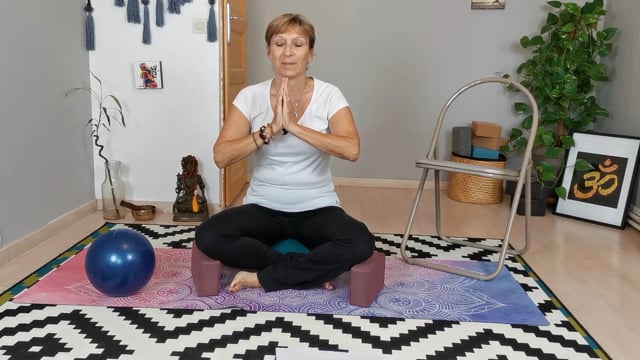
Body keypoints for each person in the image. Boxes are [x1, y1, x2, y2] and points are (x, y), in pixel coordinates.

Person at [194, 13, 375, 293]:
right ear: (269, 52)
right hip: (263, 207)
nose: (288, 52)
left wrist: (294, 127)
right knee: (208, 234)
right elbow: (222, 156)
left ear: (310, 54)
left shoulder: (329, 95)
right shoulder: (250, 97)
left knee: (361, 242)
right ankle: (301, 270)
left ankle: (262, 277)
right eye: (279, 43)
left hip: (317, 207)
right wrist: (269, 131)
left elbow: (351, 149)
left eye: (298, 44)